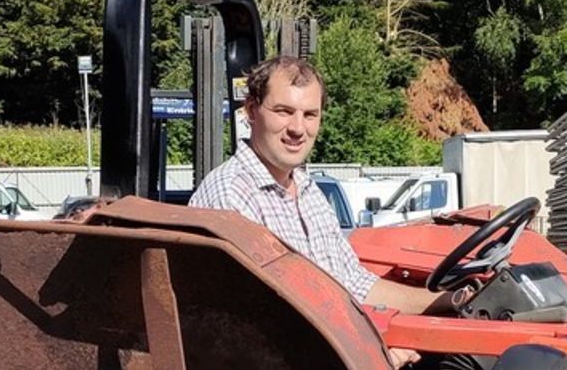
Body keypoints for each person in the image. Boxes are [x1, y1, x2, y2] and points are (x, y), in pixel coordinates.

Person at [188, 56, 452, 323]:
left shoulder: (308, 191)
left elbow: (355, 284)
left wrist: (446, 300)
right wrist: (379, 351)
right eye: (283, 111)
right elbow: (257, 319)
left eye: (310, 115)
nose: (298, 128)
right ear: (252, 111)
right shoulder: (231, 195)